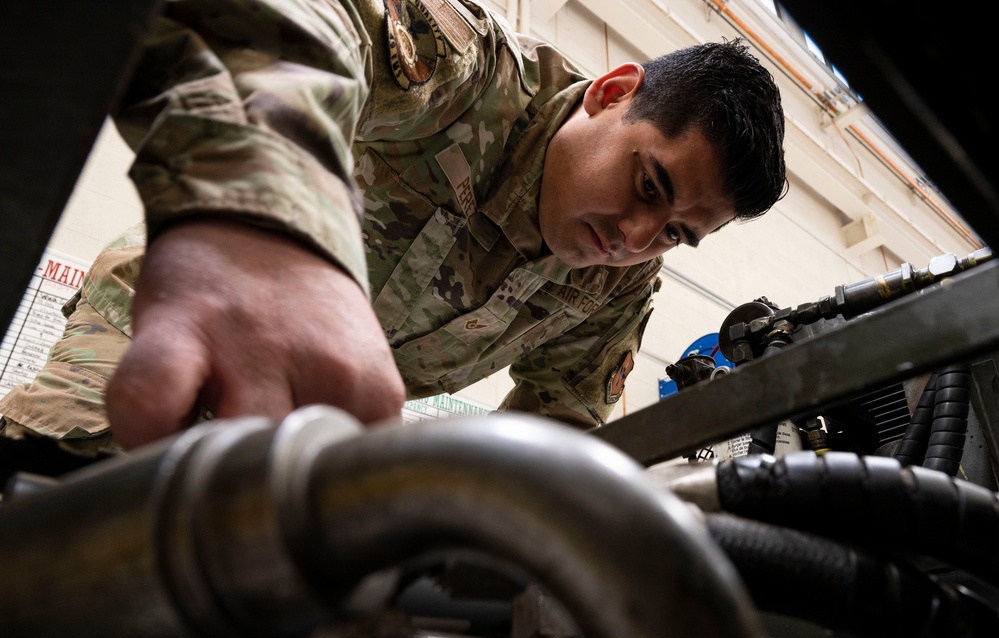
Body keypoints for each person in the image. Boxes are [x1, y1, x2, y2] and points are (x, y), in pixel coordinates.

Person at [0, 0, 786, 455]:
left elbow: (561, 425)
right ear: (611, 93)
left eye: (677, 234)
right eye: (649, 183)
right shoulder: (471, 74)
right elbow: (312, 16)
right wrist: (268, 213)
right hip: (168, 324)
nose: (636, 233)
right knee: (63, 502)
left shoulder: (618, 283)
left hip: (315, 425)